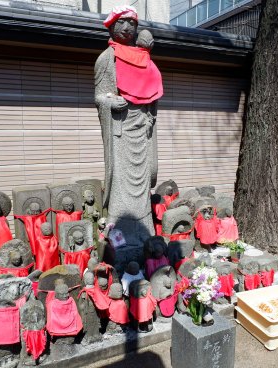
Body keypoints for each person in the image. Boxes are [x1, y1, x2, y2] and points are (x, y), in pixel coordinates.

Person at [95, 5, 163, 246]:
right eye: (121, 22)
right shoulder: (107, 58)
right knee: (122, 184)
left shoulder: (144, 58)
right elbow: (100, 95)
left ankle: (145, 229)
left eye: (132, 23)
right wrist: (111, 102)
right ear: (112, 26)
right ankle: (119, 232)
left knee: (143, 181)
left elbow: (152, 94)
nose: (127, 27)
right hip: (121, 130)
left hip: (141, 129)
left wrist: (150, 117)